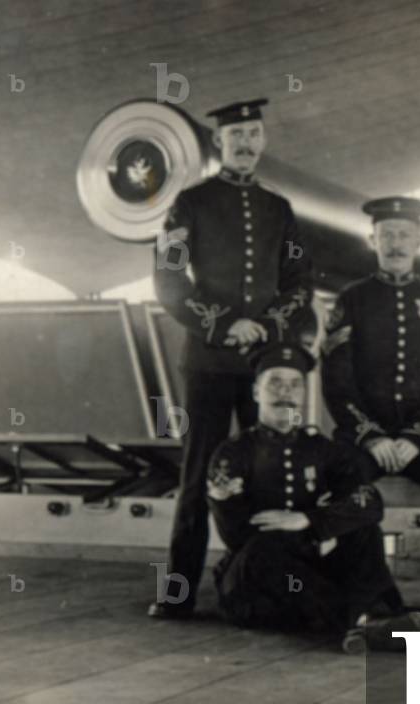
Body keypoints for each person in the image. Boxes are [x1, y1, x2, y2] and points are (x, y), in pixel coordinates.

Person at [149, 98, 314, 619]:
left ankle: (262, 588)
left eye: (253, 134)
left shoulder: (278, 209)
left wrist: (265, 327)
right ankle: (177, 594)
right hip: (209, 363)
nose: (245, 143)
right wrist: (223, 325)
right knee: (198, 477)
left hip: (266, 366)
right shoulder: (188, 205)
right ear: (219, 142)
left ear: (263, 141)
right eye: (235, 134)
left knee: (269, 474)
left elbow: (299, 284)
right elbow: (169, 279)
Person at [208, 343, 420, 653]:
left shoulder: (323, 449)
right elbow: (236, 536)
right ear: (256, 392)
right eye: (275, 382)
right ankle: (367, 621)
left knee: (363, 530)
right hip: (258, 589)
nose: (286, 391)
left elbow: (369, 503)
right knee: (262, 548)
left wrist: (309, 520)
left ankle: (373, 620)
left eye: (295, 384)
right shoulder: (232, 453)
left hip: (310, 576)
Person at [321, 196, 420, 561]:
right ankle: (366, 597)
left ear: (419, 241)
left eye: (404, 235)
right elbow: (336, 379)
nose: (395, 244)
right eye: (386, 235)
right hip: (363, 440)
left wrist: (418, 437)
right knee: (346, 483)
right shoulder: (351, 299)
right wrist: (371, 437)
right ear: (372, 241)